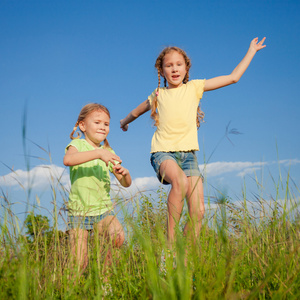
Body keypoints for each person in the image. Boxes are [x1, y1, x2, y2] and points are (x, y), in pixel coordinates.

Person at [120, 37, 266, 249]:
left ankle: (185, 260)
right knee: (179, 182)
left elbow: (233, 78)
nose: (175, 69)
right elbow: (137, 111)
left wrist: (251, 50)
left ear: (186, 68)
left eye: (179, 64)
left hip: (189, 156)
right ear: (161, 71)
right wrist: (124, 122)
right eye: (169, 65)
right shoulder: (158, 94)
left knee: (198, 213)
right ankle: (169, 248)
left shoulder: (194, 88)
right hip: (163, 153)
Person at [64, 103, 132, 274]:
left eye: (106, 124)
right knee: (79, 262)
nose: (102, 127)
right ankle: (72, 291)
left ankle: (105, 282)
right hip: (79, 212)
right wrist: (98, 154)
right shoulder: (77, 145)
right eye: (97, 122)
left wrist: (125, 173)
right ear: (82, 125)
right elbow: (68, 160)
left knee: (117, 237)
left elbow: (125, 183)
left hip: (103, 210)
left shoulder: (108, 151)